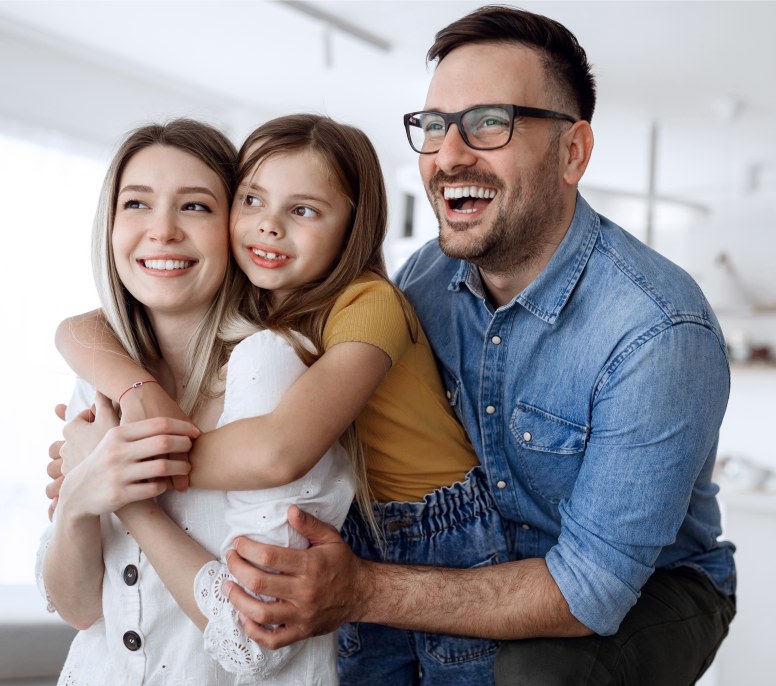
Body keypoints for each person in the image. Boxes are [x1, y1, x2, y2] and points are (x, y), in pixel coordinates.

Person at [214, 6, 737, 685]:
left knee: (534, 671)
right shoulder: (427, 277)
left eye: (490, 123)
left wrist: (361, 589)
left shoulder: (657, 332)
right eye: (434, 127)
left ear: (572, 152)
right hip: (466, 559)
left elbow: (589, 591)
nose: (450, 155)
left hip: (650, 587)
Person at [51, 113, 511, 684]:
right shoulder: (139, 359)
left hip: (442, 531)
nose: (268, 227)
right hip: (364, 533)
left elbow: (279, 451)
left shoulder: (354, 312)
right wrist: (97, 466)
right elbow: (79, 327)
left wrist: (122, 466)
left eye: (303, 210)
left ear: (353, 228)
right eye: (254, 201)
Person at [37, 118, 356, 685]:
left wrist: (121, 489)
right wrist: (82, 499)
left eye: (195, 207)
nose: (161, 231)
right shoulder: (103, 378)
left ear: (236, 226)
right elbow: (80, 610)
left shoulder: (270, 371)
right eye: (136, 204)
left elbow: (256, 640)